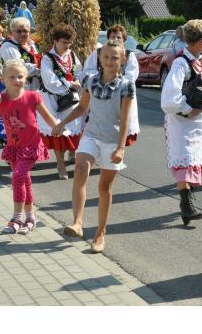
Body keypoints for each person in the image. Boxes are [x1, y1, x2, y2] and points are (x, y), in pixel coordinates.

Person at [55, 40, 134, 254]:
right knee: (80, 170)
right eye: (106, 57)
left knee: (104, 187)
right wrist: (62, 123)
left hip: (112, 140)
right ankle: (77, 223)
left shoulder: (126, 85)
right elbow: (82, 107)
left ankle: (100, 233)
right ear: (100, 58)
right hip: (91, 135)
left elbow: (125, 119)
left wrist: (121, 148)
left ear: (122, 60)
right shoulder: (90, 80)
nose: (109, 61)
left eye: (114, 57)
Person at [0, 60, 58, 234]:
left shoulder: (33, 96)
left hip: (31, 145)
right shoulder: (2, 98)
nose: (16, 80)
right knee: (24, 181)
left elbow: (47, 115)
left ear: (26, 78)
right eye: (12, 77)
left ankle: (16, 218)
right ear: (3, 79)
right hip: (14, 147)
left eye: (20, 76)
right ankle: (31, 218)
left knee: (18, 176)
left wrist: (57, 127)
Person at [161, 20, 202, 225]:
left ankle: (188, 202)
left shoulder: (201, 61)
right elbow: (169, 98)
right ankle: (186, 206)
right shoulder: (181, 63)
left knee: (194, 160)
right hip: (183, 123)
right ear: (200, 39)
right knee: (184, 160)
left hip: (199, 122)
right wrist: (188, 109)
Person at [38, 23, 84, 180]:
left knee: (72, 128)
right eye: (64, 42)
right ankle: (60, 164)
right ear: (55, 41)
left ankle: (72, 154)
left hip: (70, 99)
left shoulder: (72, 55)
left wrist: (78, 81)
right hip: (52, 100)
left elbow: (80, 71)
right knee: (58, 130)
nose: (67, 45)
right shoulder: (47, 59)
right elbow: (50, 82)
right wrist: (70, 84)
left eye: (70, 42)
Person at [83, 24, 140, 146]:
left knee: (121, 125)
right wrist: (101, 78)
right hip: (100, 92)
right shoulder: (98, 53)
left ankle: (118, 149)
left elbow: (131, 76)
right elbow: (88, 70)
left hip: (121, 95)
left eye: (119, 37)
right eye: (113, 36)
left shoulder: (129, 55)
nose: (115, 39)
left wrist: (113, 80)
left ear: (124, 40)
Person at [0, 17, 41, 91]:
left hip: (35, 86)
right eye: (19, 31)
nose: (22, 34)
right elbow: (19, 68)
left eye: (25, 31)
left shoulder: (31, 44)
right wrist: (40, 68)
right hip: (18, 88)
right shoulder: (8, 47)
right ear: (12, 32)